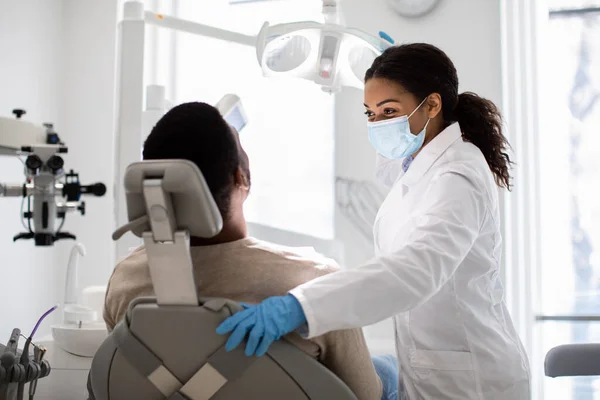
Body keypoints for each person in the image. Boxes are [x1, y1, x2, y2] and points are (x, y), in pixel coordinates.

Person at [217, 43, 532, 400]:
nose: (378, 124)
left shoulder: (457, 175)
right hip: (435, 368)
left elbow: (417, 268)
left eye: (389, 111)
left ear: (432, 105)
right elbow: (393, 175)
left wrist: (301, 306)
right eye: (370, 113)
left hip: (472, 381)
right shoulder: (418, 165)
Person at [103, 102, 395, 400]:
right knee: (390, 371)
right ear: (241, 176)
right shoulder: (315, 282)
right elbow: (366, 395)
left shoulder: (125, 280)